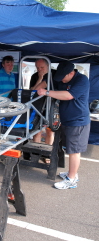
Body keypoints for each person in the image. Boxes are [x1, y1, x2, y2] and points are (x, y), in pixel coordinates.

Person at [37, 60, 90, 189]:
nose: (61, 81)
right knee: (70, 149)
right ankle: (72, 173)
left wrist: (46, 92)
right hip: (66, 120)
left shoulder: (82, 80)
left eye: (63, 78)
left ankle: (71, 179)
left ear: (71, 73)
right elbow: (47, 81)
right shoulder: (62, 78)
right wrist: (39, 86)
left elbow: (68, 95)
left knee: (74, 151)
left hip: (78, 121)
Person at [30, 58, 54, 163]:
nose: (39, 69)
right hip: (38, 106)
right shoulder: (34, 76)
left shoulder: (55, 75)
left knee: (50, 131)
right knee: (37, 131)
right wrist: (40, 79)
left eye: (42, 67)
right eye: (37, 67)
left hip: (52, 106)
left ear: (48, 66)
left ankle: (46, 155)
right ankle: (36, 154)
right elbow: (31, 91)